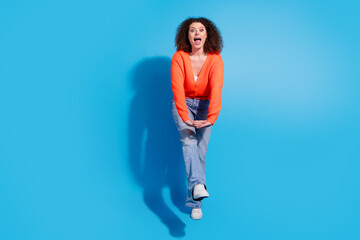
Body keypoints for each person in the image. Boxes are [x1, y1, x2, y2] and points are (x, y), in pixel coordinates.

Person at [171, 17, 224, 220]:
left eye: (200, 30)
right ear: (187, 35)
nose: (196, 33)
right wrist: (185, 117)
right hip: (182, 105)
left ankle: (195, 198)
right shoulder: (179, 57)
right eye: (192, 30)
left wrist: (211, 117)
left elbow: (217, 90)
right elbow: (177, 91)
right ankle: (197, 193)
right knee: (188, 141)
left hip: (205, 106)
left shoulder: (215, 59)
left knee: (200, 153)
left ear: (207, 34)